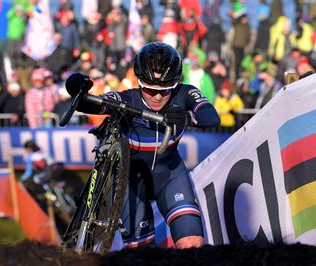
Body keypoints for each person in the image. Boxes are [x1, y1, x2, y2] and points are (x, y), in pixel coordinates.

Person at [67, 42, 220, 249]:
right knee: (142, 255)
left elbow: (211, 116)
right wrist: (75, 88)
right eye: (150, 89)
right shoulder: (127, 98)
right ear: (139, 82)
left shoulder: (185, 94)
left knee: (192, 243)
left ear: (175, 84)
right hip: (130, 184)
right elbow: (94, 104)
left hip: (170, 176)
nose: (157, 96)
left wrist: (187, 116)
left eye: (165, 90)